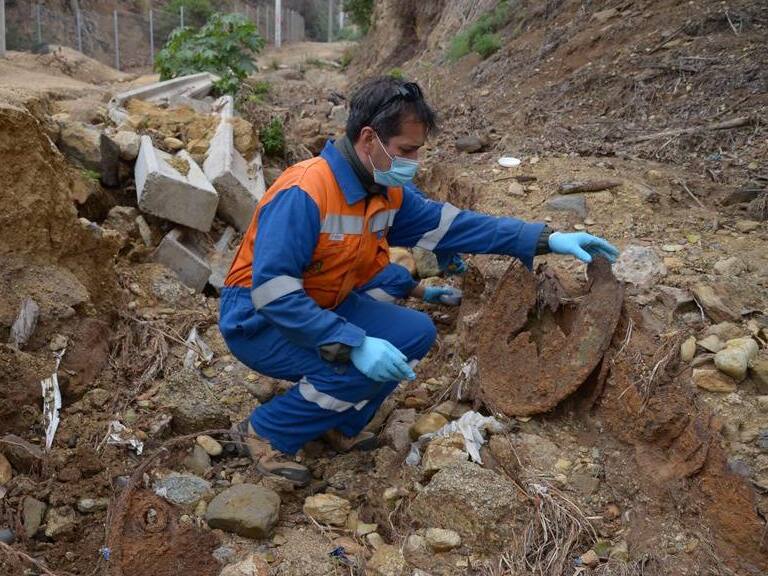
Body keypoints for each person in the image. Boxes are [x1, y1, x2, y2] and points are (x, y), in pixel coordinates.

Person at [219, 77, 618, 486]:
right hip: (258, 318)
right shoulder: (306, 190)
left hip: (322, 303)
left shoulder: (384, 191)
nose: (414, 163)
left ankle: (334, 421)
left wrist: (544, 239)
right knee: (353, 364)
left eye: (418, 151)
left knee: (414, 332)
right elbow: (274, 291)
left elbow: (458, 227)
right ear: (370, 138)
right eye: (406, 151)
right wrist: (353, 343)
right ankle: (269, 430)